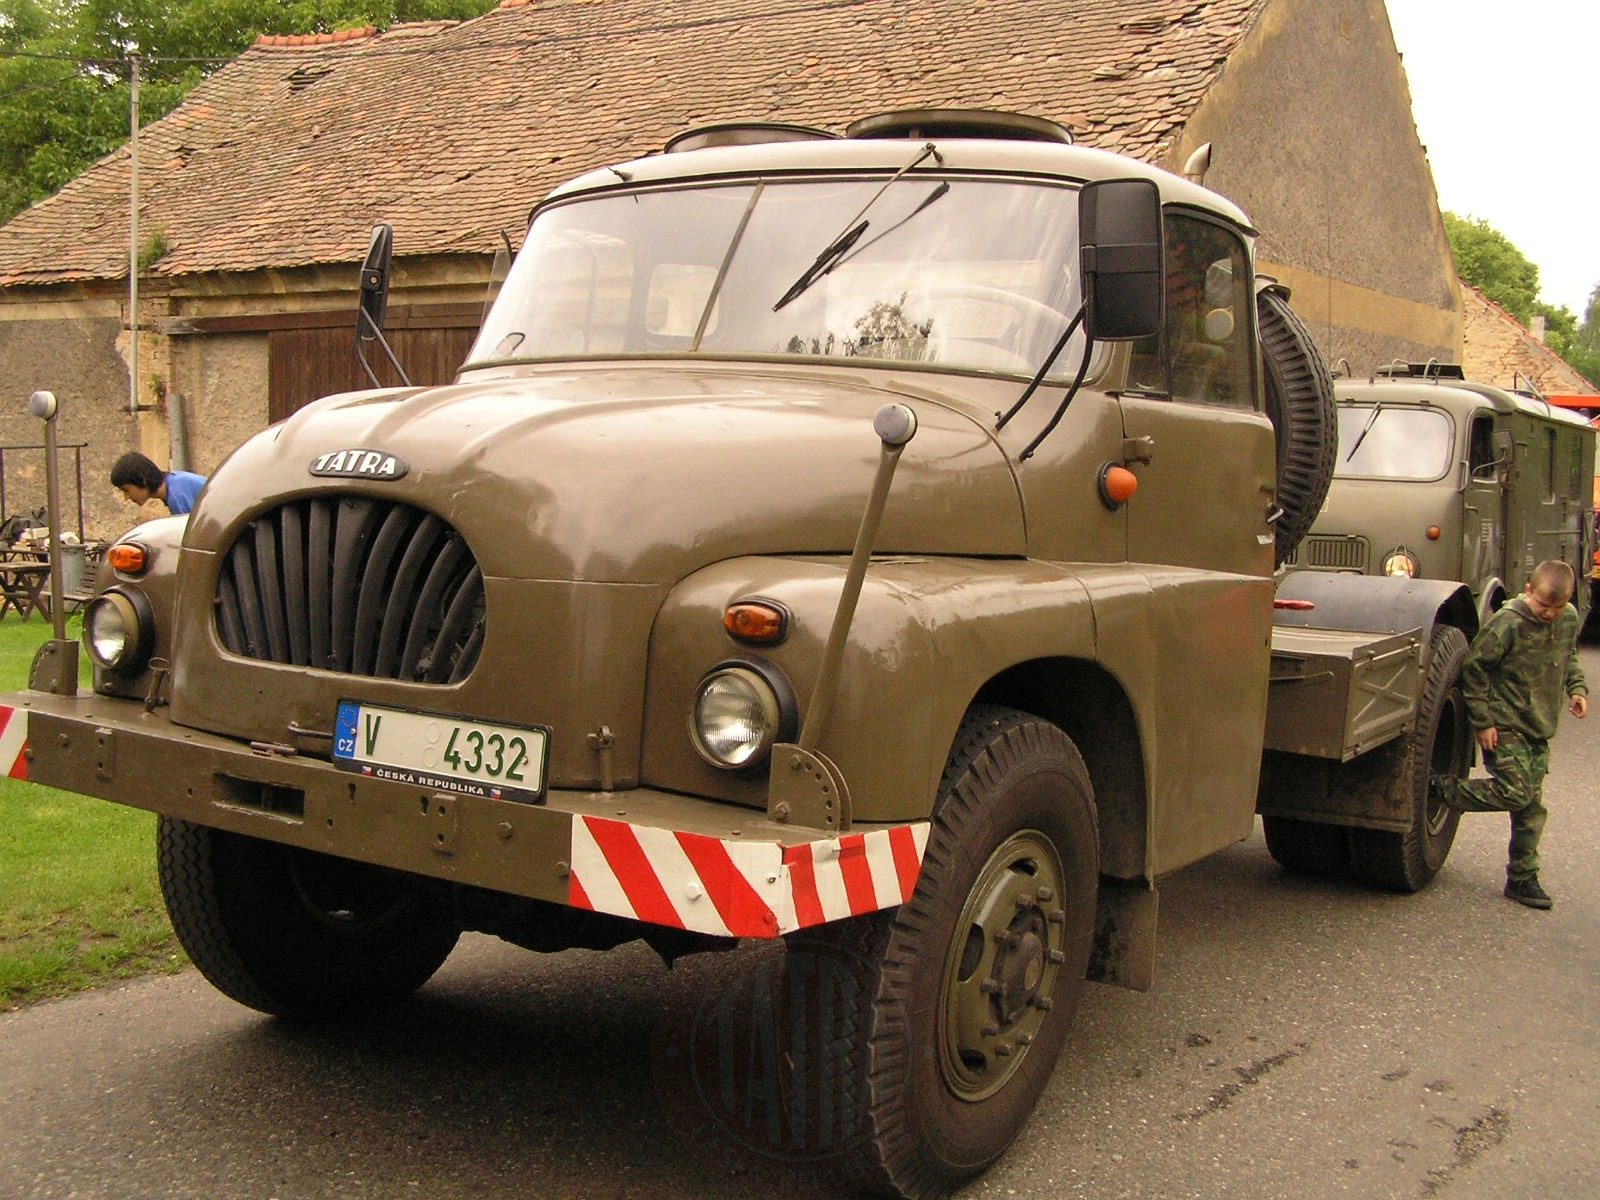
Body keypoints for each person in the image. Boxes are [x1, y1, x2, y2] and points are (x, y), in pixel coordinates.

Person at [1440, 560, 1589, 909]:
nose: (1549, 614)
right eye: (1543, 605)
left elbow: (1568, 655)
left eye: (1557, 607)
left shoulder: (1566, 619)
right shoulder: (1507, 623)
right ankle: (1442, 791)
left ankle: (1522, 879)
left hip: (1538, 726)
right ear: (1528, 590)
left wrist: (1577, 688)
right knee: (1516, 792)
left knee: (1531, 809)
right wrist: (1483, 722)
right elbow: (1475, 669)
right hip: (1505, 723)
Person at [110, 452, 207, 517]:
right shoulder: (174, 485)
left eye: (126, 490)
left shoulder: (177, 493)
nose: (126, 497)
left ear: (142, 480)